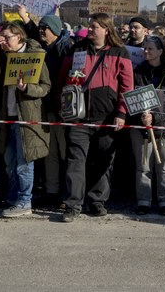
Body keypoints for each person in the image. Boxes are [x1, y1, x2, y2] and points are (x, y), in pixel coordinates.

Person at [57, 13, 133, 222]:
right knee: (75, 161)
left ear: (106, 30)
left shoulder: (120, 52)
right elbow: (63, 77)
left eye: (94, 27)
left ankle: (97, 201)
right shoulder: (77, 49)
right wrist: (63, 104)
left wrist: (121, 113)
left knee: (103, 162)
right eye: (90, 27)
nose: (90, 30)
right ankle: (73, 204)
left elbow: (127, 86)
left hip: (106, 117)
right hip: (78, 117)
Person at [0, 22, 52, 218]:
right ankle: (14, 198)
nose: (4, 41)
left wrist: (27, 89)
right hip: (9, 116)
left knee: (24, 163)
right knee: (9, 161)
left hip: (27, 117)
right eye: (2, 37)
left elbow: (45, 86)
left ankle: (25, 201)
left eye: (8, 38)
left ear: (19, 37)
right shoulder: (5, 56)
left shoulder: (35, 55)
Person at [17, 7, 75, 209]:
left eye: (46, 28)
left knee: (64, 152)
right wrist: (25, 18)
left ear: (56, 30)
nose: (41, 31)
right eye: (40, 28)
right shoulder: (39, 50)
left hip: (62, 109)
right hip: (44, 107)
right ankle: (51, 191)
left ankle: (67, 193)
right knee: (49, 153)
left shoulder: (66, 49)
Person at [130, 35, 165, 215]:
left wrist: (156, 119)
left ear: (160, 51)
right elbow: (132, 97)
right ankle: (143, 201)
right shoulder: (137, 71)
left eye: (150, 48)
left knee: (164, 167)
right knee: (143, 166)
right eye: (144, 48)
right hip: (141, 127)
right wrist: (142, 117)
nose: (146, 51)